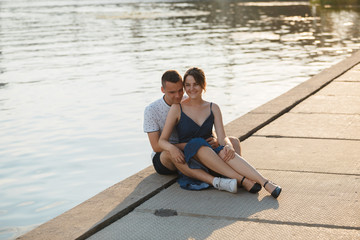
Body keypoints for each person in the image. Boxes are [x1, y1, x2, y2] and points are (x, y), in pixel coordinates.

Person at [159, 67, 282, 198]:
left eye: (195, 84)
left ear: (203, 85)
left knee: (225, 151)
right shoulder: (177, 108)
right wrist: (172, 148)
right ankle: (243, 180)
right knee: (198, 143)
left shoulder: (213, 107)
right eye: (187, 85)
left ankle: (265, 182)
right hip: (193, 160)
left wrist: (228, 145)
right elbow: (162, 140)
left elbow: (222, 137)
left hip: (213, 157)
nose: (191, 89)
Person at [144, 70, 259, 193]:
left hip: (194, 147)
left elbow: (203, 125)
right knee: (172, 153)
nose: (177, 96)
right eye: (172, 92)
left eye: (180, 90)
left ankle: (237, 176)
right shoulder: (152, 110)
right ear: (163, 90)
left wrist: (214, 139)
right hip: (166, 152)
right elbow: (156, 146)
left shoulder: (187, 100)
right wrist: (178, 147)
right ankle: (218, 181)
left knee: (233, 142)